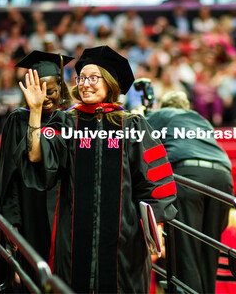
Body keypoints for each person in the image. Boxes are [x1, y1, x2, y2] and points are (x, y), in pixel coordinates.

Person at [17, 45, 177, 293]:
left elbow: (155, 179)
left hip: (124, 237)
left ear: (110, 82)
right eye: (82, 78)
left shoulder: (133, 125)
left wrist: (156, 229)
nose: (85, 84)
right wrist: (36, 111)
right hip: (74, 236)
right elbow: (37, 155)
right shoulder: (66, 121)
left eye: (93, 78)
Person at [146, 91, 234, 293]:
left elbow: (139, 127)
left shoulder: (165, 113)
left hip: (189, 175)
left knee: (186, 248)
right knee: (208, 250)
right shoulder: (201, 120)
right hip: (223, 177)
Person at [0, 51, 74, 267]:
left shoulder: (67, 121)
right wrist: (12, 221)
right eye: (39, 91)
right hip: (29, 210)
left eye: (51, 91)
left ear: (61, 88)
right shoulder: (17, 120)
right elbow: (9, 176)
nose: (45, 97)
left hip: (63, 213)